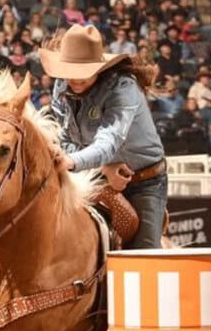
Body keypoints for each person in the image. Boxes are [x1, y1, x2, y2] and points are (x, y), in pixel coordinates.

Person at [43, 25, 166, 249]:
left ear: (99, 69)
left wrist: (71, 161)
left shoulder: (123, 87)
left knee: (144, 254)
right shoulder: (62, 87)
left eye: (83, 72)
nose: (75, 79)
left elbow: (109, 141)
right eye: (69, 71)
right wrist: (102, 169)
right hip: (93, 175)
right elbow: (66, 140)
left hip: (143, 181)